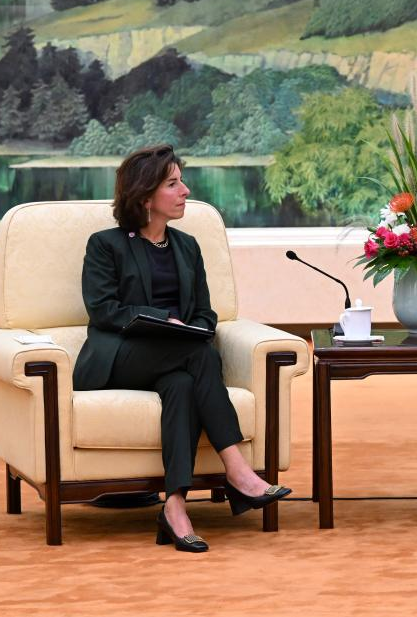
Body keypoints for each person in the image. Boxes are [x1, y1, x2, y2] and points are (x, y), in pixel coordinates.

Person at [73, 144, 291, 553]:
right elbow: (103, 310)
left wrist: (192, 328)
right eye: (173, 184)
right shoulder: (106, 245)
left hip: (174, 357)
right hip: (120, 357)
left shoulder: (187, 246)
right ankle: (238, 471)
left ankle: (174, 508)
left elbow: (207, 314)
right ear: (145, 197)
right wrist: (161, 319)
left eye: (181, 182)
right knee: (199, 355)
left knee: (183, 385)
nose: (186, 191)